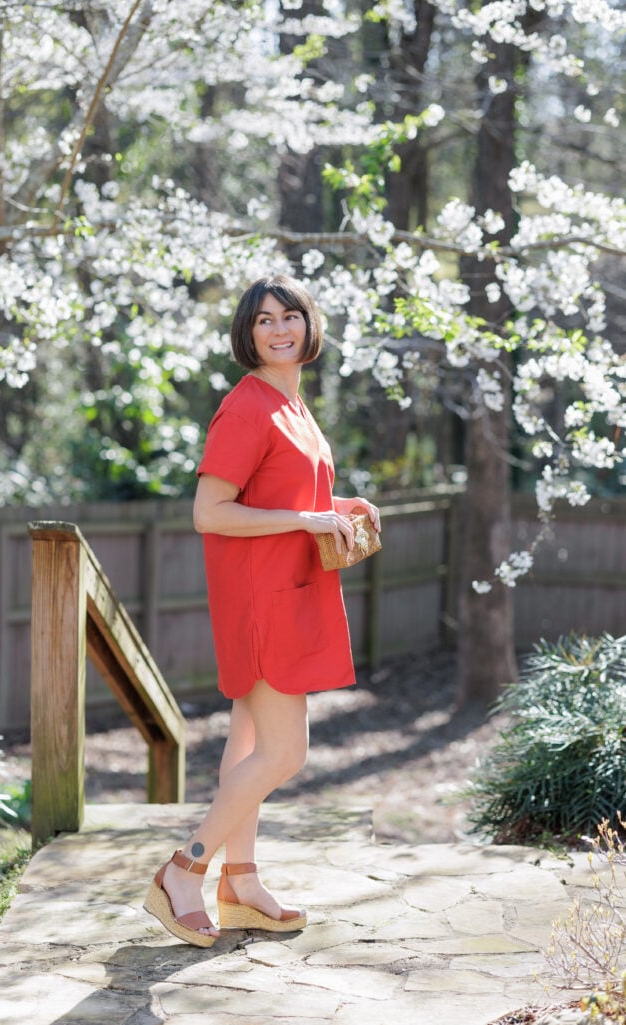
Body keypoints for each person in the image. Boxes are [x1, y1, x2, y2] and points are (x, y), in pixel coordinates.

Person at [143, 274, 380, 947]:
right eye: (263, 321)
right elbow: (209, 511)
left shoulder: (292, 406)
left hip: (291, 590)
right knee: (285, 750)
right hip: (260, 600)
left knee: (247, 742)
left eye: (290, 316)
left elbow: (282, 499)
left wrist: (335, 510)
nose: (279, 329)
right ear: (247, 336)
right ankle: (182, 870)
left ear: (309, 324)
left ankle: (240, 882)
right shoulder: (247, 407)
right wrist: (306, 516)